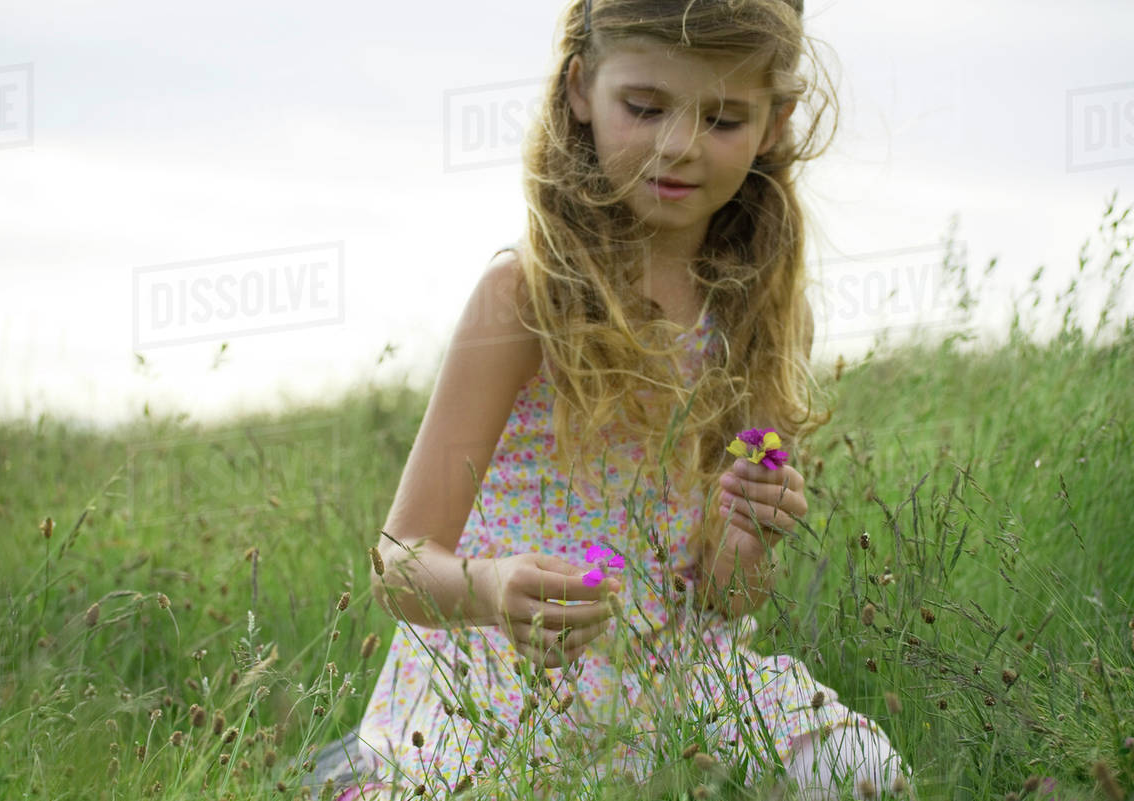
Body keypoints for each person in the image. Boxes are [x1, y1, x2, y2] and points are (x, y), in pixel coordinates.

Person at [320, 1, 914, 798]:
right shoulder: (525, 296)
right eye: (644, 107)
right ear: (579, 90)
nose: (678, 146)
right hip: (504, 683)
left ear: (775, 123)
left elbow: (729, 593)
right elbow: (398, 562)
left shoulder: (765, 312)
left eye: (724, 119)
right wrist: (493, 586)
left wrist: (750, 526)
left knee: (860, 775)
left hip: (681, 675)